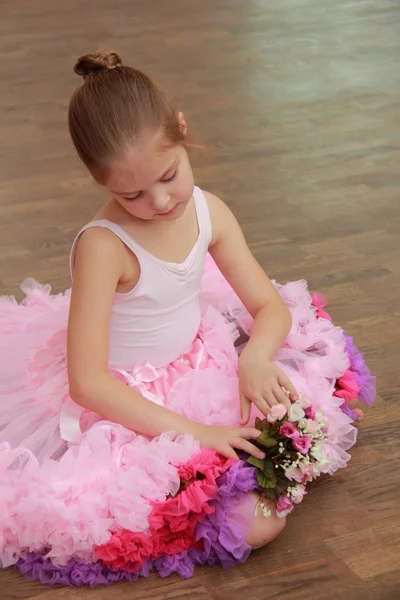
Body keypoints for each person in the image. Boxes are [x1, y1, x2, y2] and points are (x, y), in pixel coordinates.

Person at [0, 50, 375, 587]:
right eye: (131, 194)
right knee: (254, 525)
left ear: (182, 132)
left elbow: (269, 306)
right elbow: (88, 384)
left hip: (200, 362)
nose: (158, 202)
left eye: (168, 176)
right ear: (99, 181)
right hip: (123, 404)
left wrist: (254, 356)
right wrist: (196, 433)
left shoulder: (208, 210)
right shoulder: (105, 247)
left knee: (292, 417)